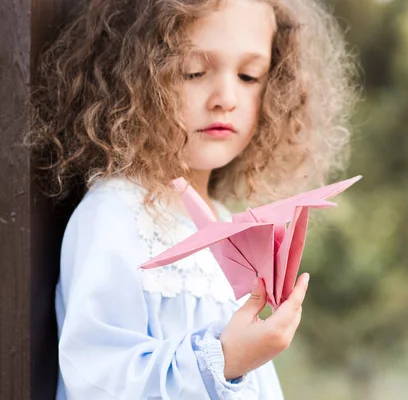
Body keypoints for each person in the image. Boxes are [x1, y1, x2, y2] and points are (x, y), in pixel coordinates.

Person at [28, 0, 357, 398]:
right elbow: (98, 377)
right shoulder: (116, 213)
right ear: (133, 77)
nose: (225, 97)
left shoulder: (224, 220)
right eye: (194, 71)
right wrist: (223, 359)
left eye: (250, 76)